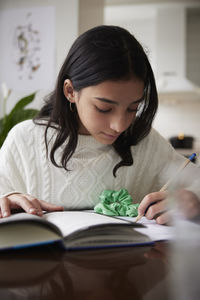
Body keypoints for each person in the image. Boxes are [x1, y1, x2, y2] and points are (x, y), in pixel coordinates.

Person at [0, 25, 200, 224]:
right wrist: (5, 202)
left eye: (133, 108)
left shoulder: (146, 143)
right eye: (104, 108)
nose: (120, 125)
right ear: (70, 91)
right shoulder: (24, 140)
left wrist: (195, 199)